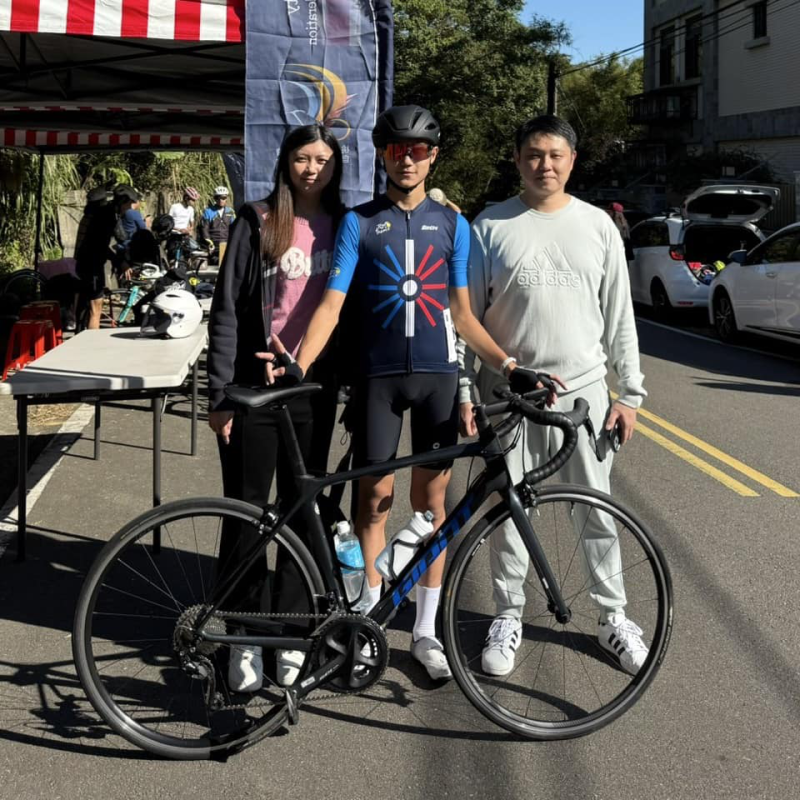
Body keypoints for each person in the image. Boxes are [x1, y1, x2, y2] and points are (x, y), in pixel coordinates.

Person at [293, 105, 537, 682]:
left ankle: (426, 631)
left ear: (433, 157)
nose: (408, 159)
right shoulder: (358, 222)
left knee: (432, 510)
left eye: (419, 150)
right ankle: (368, 620)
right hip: (376, 381)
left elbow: (463, 315)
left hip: (437, 381)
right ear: (383, 155)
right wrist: (296, 366)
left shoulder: (454, 225)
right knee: (373, 502)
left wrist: (506, 364)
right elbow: (331, 306)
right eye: (397, 149)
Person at [459, 115, 649, 677]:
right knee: (508, 511)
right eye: (534, 154)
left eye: (555, 155)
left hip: (583, 396)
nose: (545, 164)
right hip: (508, 395)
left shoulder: (597, 226)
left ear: (572, 161)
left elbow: (620, 317)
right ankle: (507, 614)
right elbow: (466, 318)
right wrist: (466, 389)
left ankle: (613, 617)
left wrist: (629, 394)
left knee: (595, 510)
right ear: (518, 159)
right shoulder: (489, 226)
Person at [206, 124, 345, 693]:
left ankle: (291, 633)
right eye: (303, 158)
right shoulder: (257, 220)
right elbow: (227, 310)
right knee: (246, 512)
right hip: (254, 391)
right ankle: (243, 635)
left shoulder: (344, 223)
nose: (312, 169)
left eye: (323, 159)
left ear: (336, 165)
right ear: (286, 161)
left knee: (300, 512)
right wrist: (219, 394)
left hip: (313, 391)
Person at [74, 186, 116, 330]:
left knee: (84, 303)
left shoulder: (86, 217)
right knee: (95, 308)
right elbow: (99, 246)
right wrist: (116, 258)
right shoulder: (96, 221)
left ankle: (79, 332)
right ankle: (93, 339)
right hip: (92, 266)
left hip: (81, 265)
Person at [111, 185, 148, 278]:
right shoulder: (133, 212)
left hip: (121, 250)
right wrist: (146, 222)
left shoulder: (116, 214)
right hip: (131, 250)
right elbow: (143, 228)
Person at [198, 186, 236, 265]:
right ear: (214, 199)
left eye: (223, 198)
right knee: (214, 265)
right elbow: (204, 229)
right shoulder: (208, 211)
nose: (220, 200)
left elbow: (234, 228)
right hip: (213, 244)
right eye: (217, 198)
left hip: (226, 244)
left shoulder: (230, 212)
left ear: (226, 198)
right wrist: (209, 242)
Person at [168, 187, 200, 254]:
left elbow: (192, 223)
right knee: (172, 254)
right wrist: (179, 229)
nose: (194, 202)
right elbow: (168, 223)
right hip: (174, 235)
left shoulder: (191, 209)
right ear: (186, 198)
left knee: (187, 254)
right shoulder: (174, 207)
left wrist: (190, 229)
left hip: (185, 236)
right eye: (192, 200)